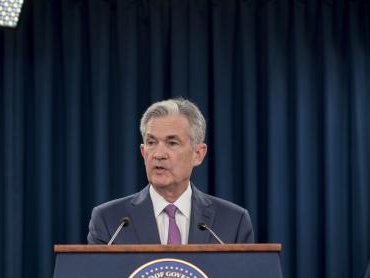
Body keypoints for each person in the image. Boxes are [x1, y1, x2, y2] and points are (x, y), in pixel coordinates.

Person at [87, 98, 254, 244]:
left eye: (172, 143)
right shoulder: (110, 221)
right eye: (151, 142)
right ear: (143, 152)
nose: (159, 154)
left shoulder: (234, 222)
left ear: (198, 154)